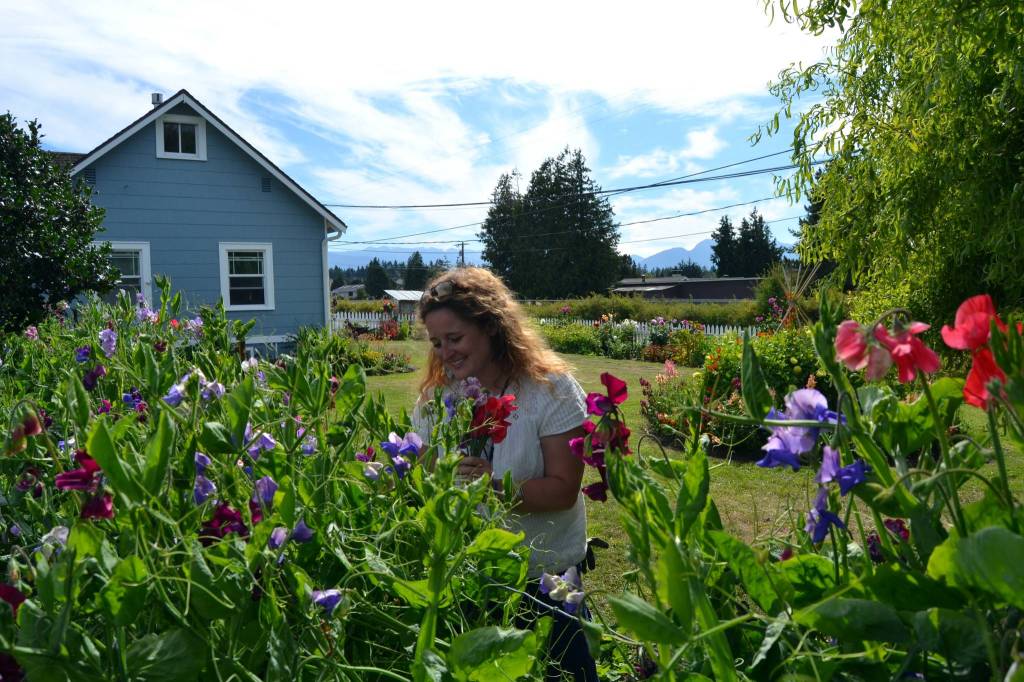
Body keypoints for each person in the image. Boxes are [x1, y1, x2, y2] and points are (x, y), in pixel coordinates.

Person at [412, 267, 599, 682]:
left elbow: (564, 491)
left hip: (544, 584)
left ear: (492, 327)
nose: (445, 352)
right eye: (437, 342)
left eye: (455, 338)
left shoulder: (549, 390)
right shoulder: (439, 400)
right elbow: (421, 477)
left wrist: (492, 486)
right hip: (472, 581)